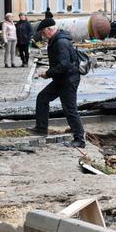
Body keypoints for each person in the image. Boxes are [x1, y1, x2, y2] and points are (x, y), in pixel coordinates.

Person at [30, 18, 86, 148]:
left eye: (44, 33)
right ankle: (41, 129)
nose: (43, 36)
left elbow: (64, 65)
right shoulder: (56, 39)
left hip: (68, 80)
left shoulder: (60, 42)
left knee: (70, 109)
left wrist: (47, 73)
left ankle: (79, 139)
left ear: (50, 30)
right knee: (42, 98)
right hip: (62, 79)